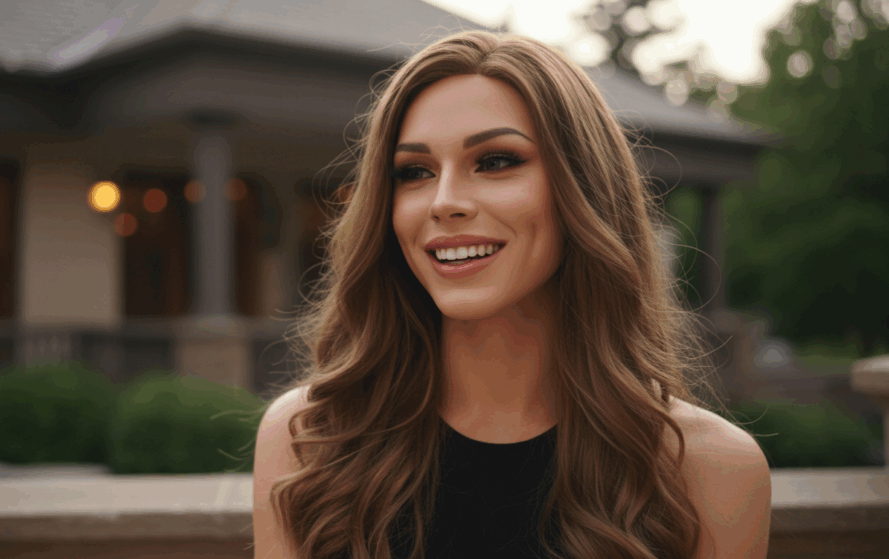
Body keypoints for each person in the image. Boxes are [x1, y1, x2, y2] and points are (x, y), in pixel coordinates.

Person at [252, 30, 771, 559]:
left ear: (583, 188)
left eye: (496, 161)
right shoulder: (307, 443)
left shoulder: (713, 469)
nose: (444, 201)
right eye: (414, 172)